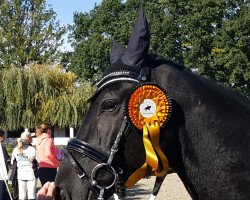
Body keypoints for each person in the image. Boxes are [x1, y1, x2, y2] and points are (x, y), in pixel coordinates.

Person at [11, 130, 37, 200]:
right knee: (31, 195)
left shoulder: (15, 149)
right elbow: (38, 161)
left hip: (20, 175)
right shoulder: (32, 149)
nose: (32, 139)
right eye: (31, 137)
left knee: (22, 196)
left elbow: (12, 162)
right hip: (31, 175)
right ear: (28, 139)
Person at [0, 130, 10, 200]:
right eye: (4, 137)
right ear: (1, 137)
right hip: (1, 175)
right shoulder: (1, 148)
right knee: (2, 192)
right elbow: (7, 160)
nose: (4, 138)